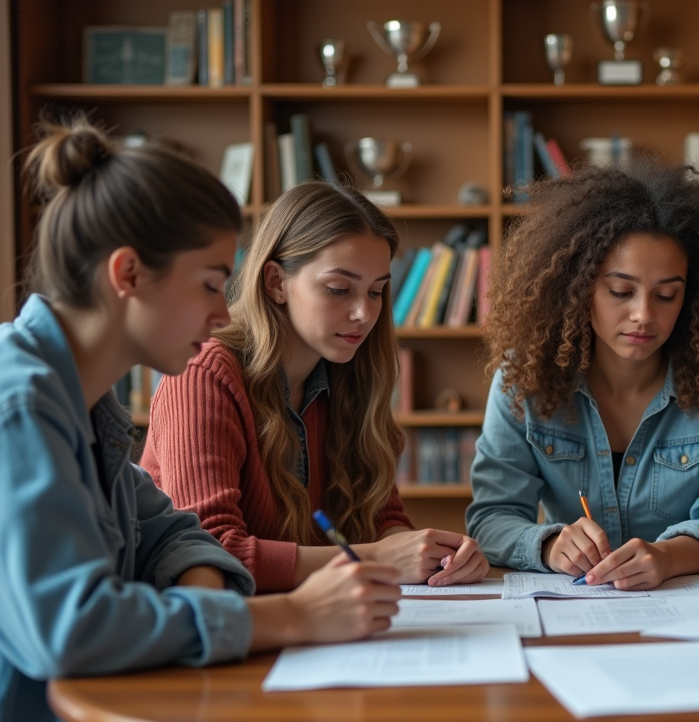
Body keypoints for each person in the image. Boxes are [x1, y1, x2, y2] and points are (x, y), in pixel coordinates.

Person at [0, 118, 404, 722]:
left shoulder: (85, 401)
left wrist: (203, 587)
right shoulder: (20, 405)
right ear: (129, 274)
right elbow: (67, 631)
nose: (222, 313)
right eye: (211, 283)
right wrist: (291, 618)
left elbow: (169, 531)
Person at [142, 181, 488, 592]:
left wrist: (434, 555)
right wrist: (376, 557)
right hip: (221, 625)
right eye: (339, 289)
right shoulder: (202, 374)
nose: (364, 313)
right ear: (276, 282)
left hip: (317, 616)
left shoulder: (352, 374)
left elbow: (381, 519)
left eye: (376, 291)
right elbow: (209, 554)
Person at [466, 158, 699, 589]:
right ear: (579, 287)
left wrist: (668, 557)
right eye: (620, 291)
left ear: (691, 296)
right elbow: (492, 517)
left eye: (666, 295)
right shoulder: (525, 377)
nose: (643, 315)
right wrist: (551, 545)